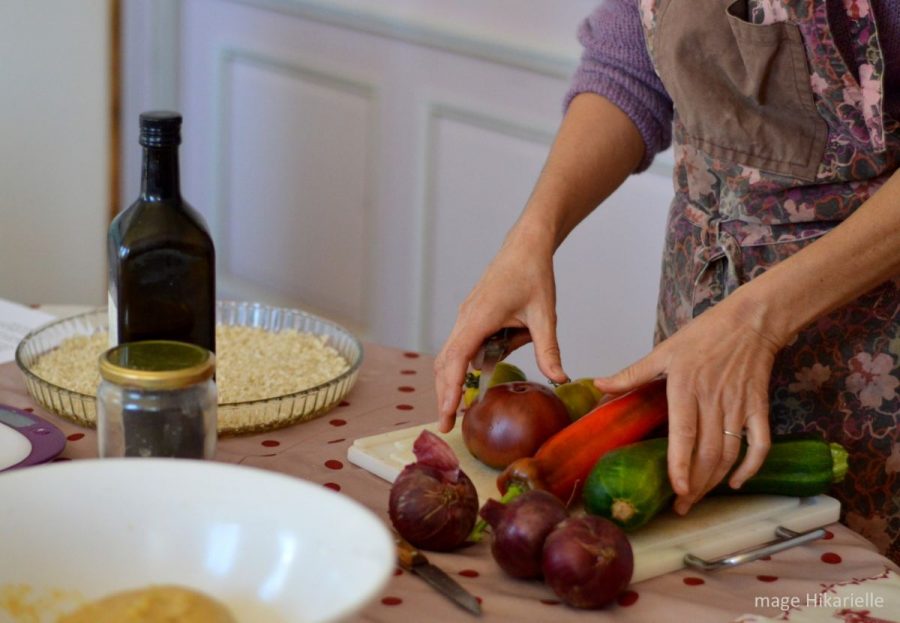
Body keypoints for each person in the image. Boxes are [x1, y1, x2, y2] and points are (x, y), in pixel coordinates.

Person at [433, 0, 900, 564]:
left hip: (873, 353)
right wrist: (533, 233)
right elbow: (630, 67)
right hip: (695, 312)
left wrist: (756, 321)